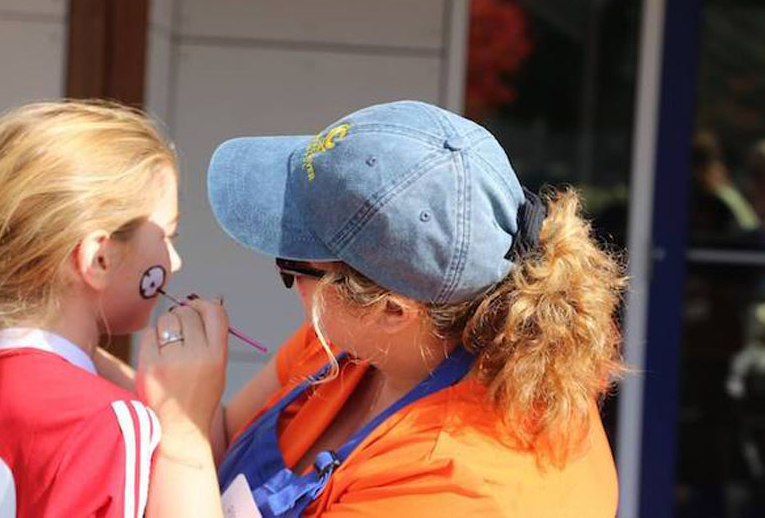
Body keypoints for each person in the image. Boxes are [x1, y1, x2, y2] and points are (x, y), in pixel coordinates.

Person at [197, 100, 626, 517]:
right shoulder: (357, 338)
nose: (292, 286)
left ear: (394, 311)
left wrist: (182, 436)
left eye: (292, 267)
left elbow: (196, 453)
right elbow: (225, 436)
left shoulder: (459, 482)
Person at [0, 101, 228, 517]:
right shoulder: (114, 423)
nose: (176, 260)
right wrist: (183, 436)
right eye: (167, 236)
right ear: (100, 259)